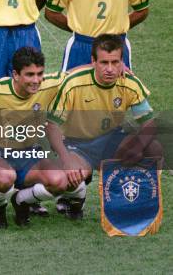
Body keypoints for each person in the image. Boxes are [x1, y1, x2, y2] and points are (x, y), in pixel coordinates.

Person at [47, 34, 160, 220]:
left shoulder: (129, 83)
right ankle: (71, 197)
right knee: (64, 178)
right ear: (93, 61)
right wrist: (66, 159)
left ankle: (139, 199)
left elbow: (149, 124)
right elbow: (52, 126)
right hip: (78, 145)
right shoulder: (73, 83)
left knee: (152, 146)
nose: (109, 69)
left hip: (111, 140)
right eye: (104, 62)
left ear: (122, 62)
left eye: (115, 62)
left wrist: (137, 148)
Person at [0, 47, 69, 228]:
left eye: (39, 74)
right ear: (16, 75)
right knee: (5, 178)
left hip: (29, 155)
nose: (36, 81)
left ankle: (21, 200)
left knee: (60, 181)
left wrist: (117, 68)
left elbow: (72, 75)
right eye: (29, 75)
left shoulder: (48, 84)